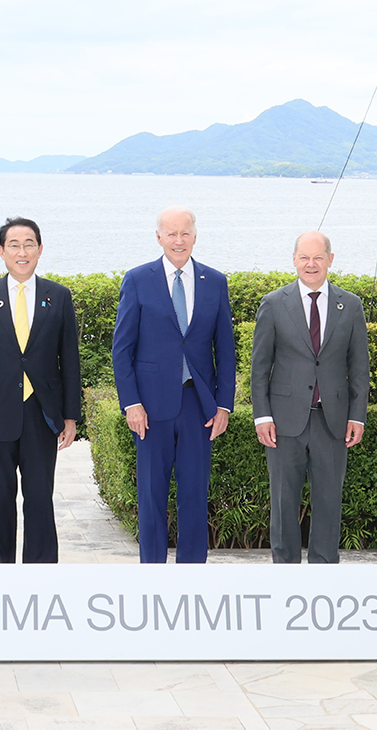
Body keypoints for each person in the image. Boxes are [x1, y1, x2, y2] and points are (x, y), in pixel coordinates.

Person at [112, 208, 236, 564]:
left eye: (185, 233)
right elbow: (122, 349)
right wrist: (131, 403)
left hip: (200, 406)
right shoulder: (138, 280)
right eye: (171, 233)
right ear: (158, 237)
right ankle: (153, 576)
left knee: (195, 495)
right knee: (151, 496)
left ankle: (191, 575)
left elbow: (224, 349)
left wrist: (223, 404)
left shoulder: (215, 281)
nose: (178, 240)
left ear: (195, 236)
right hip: (150, 408)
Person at [0, 217, 82, 563]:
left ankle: (40, 574)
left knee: (40, 497)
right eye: (14, 244)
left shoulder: (58, 296)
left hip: (42, 412)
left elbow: (69, 360)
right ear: (1, 251)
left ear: (40, 250)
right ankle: (0, 573)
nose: (22, 251)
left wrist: (70, 415)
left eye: (29, 244)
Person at [250, 231, 370, 564]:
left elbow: (359, 367)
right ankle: (285, 572)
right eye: (304, 257)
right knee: (283, 502)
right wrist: (262, 416)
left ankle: (324, 573)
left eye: (318, 257)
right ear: (294, 260)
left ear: (331, 260)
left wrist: (357, 415)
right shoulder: (274, 304)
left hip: (332, 421)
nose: (311, 264)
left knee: (329, 502)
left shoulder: (351, 305)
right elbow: (259, 367)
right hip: (284, 421)